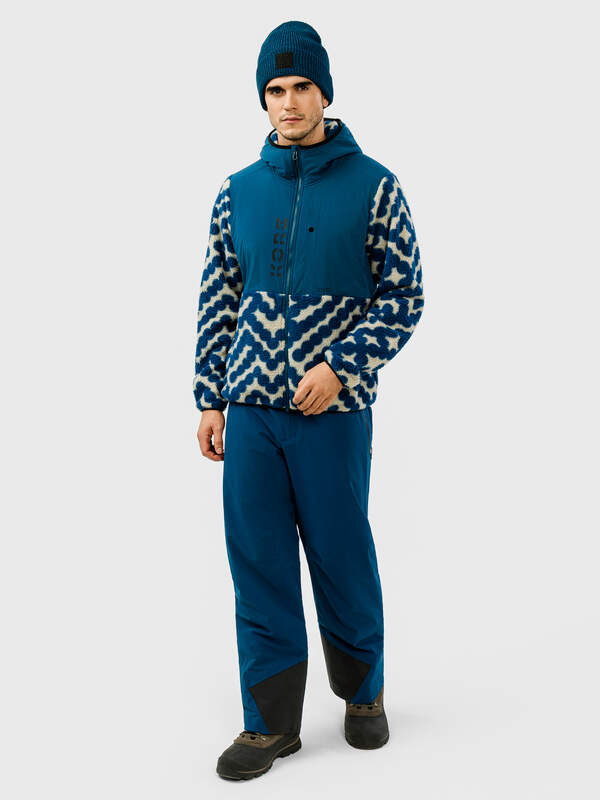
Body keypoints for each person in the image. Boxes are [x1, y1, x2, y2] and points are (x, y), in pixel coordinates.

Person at [193, 19, 425, 781]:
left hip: (332, 416)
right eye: (274, 89)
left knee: (342, 554)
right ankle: (270, 725)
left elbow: (405, 296)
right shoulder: (237, 192)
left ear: (325, 93)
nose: (288, 103)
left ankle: (363, 693)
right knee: (257, 563)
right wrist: (210, 398)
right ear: (263, 99)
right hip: (252, 415)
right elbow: (219, 298)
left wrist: (342, 367)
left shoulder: (376, 186)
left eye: (300, 87)